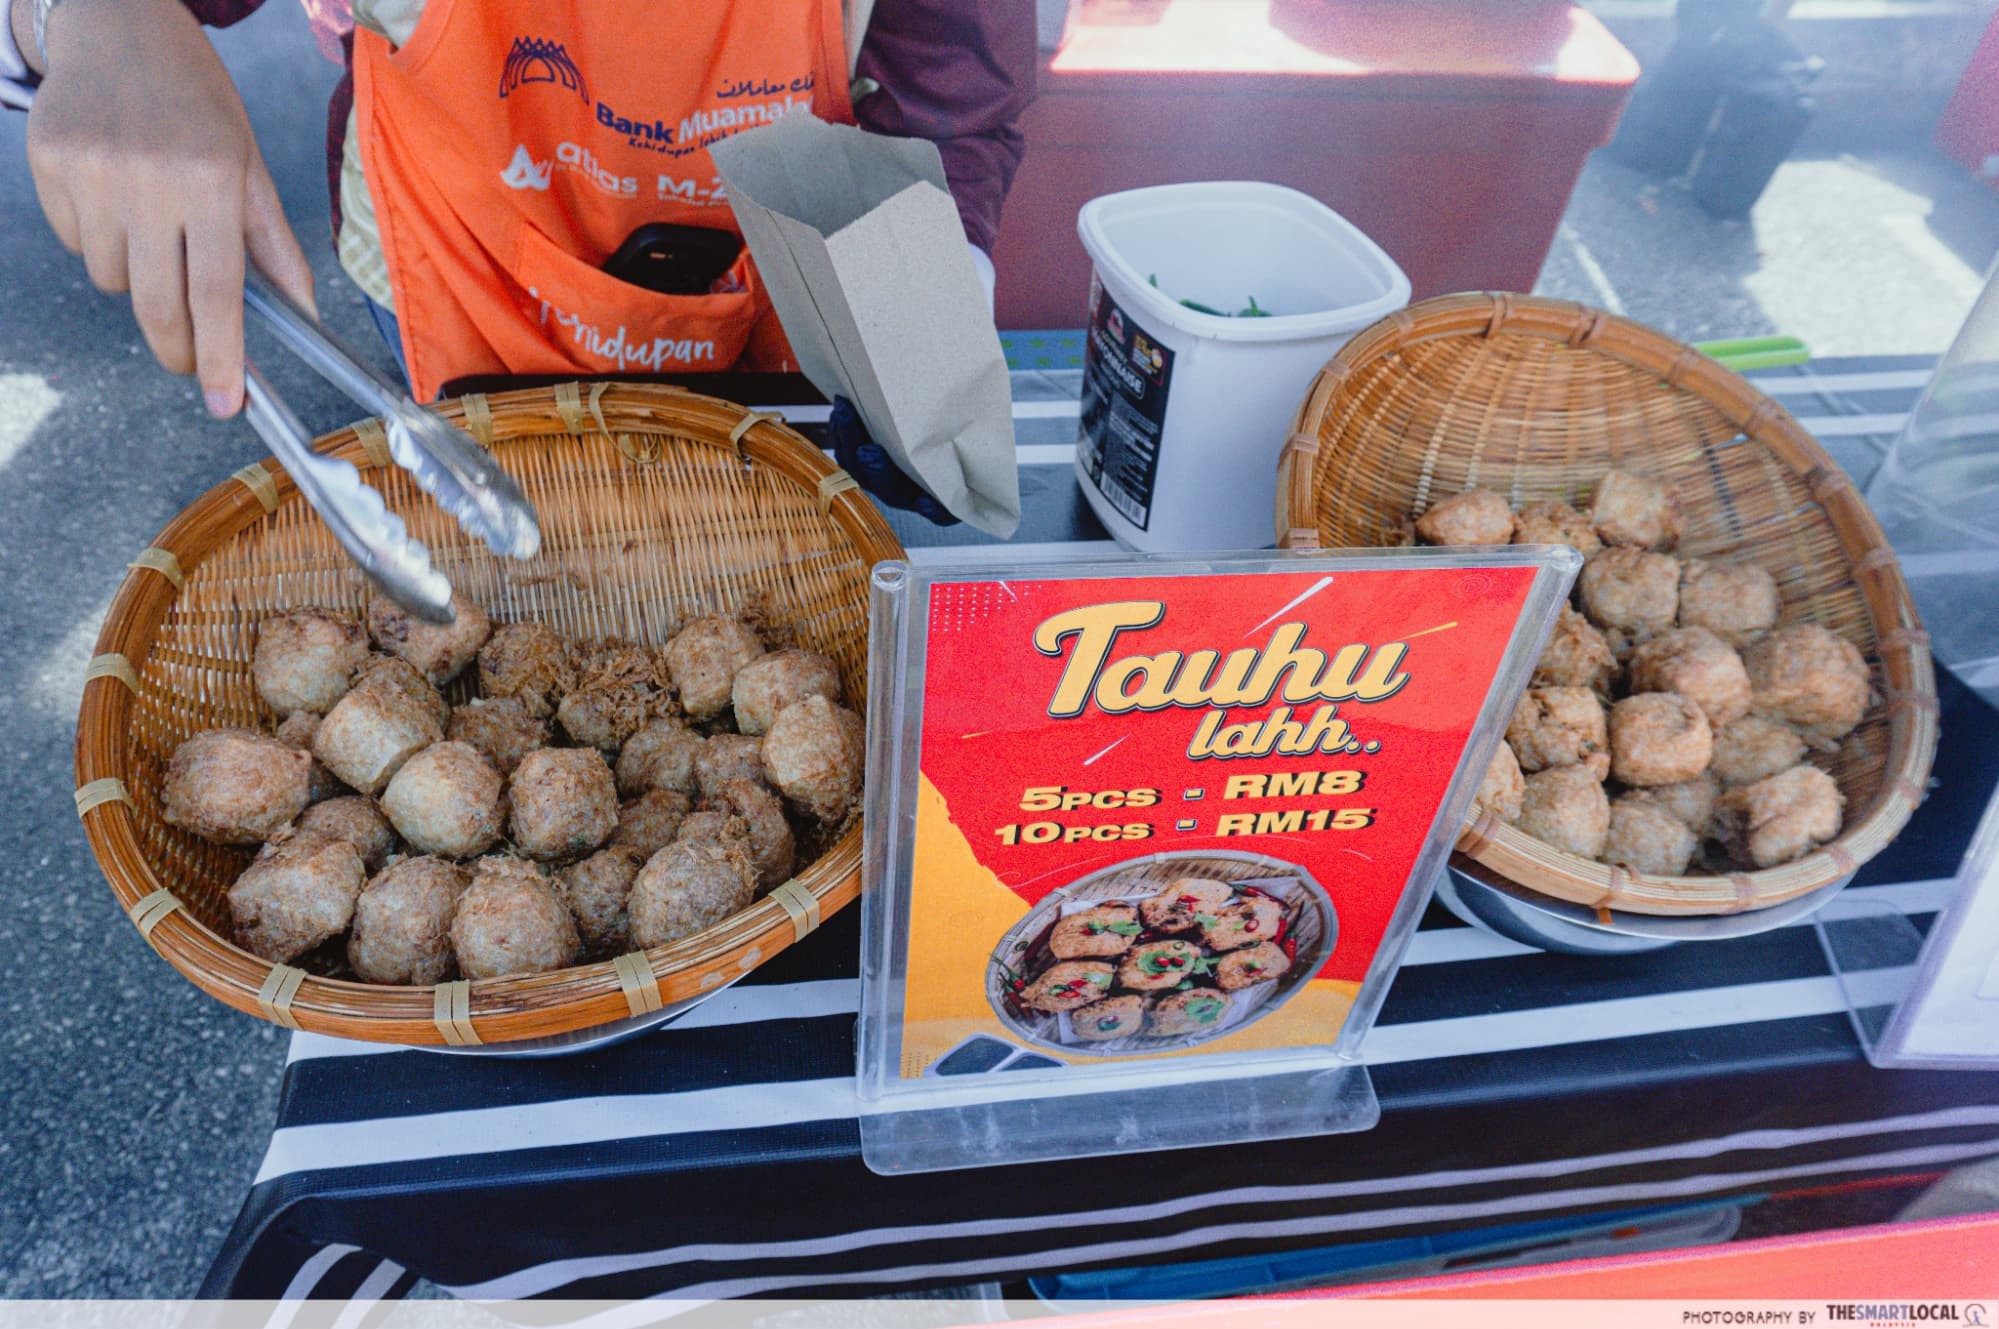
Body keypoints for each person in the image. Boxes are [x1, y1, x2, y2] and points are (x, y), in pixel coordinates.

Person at [3, 0, 1034, 417]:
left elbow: (950, 99)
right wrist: (97, 18)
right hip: (450, 258)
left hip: (758, 280)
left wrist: (923, 313)